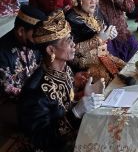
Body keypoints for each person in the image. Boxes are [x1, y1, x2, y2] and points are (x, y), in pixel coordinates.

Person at [18, 10, 105, 151]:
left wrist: (83, 96)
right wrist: (76, 113)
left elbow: (63, 105)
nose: (73, 44)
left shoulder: (65, 69)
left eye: (71, 38)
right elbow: (41, 139)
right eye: (67, 40)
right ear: (51, 50)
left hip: (71, 137)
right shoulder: (35, 92)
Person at [65, 0, 125, 84]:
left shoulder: (96, 10)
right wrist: (97, 40)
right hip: (83, 62)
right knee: (108, 80)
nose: (93, 2)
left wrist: (111, 33)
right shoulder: (70, 18)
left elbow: (105, 28)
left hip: (102, 54)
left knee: (126, 69)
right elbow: (71, 50)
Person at [0, 5, 46, 97]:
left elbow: (43, 66)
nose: (40, 39)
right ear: (21, 31)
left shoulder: (34, 43)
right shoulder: (2, 52)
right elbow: (7, 89)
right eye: (36, 34)